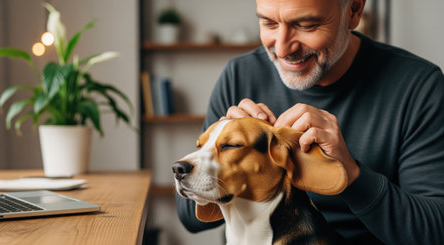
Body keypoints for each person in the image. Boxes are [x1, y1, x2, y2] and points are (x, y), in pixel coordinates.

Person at [176, 0, 444, 244]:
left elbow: (434, 233)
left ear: (354, 11)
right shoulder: (240, 75)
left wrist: (351, 174)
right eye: (269, 23)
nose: (282, 48)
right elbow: (189, 215)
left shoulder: (420, 87)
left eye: (306, 25)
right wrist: (224, 146)